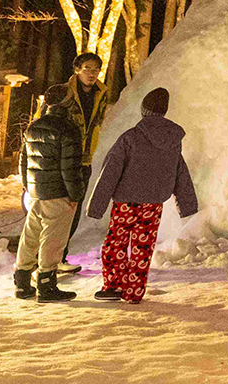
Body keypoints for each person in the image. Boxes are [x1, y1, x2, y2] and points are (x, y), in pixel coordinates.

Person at [86, 88, 199, 303]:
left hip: (126, 203)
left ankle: (114, 287)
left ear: (143, 111)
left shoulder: (131, 137)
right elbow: (180, 172)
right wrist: (187, 204)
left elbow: (110, 171)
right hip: (153, 205)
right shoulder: (172, 141)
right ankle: (135, 292)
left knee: (116, 244)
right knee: (143, 247)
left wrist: (97, 206)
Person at [44, 53, 117, 274]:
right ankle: (45, 261)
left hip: (83, 160)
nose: (92, 73)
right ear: (76, 69)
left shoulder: (101, 94)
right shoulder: (62, 93)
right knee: (56, 212)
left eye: (96, 69)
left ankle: (59, 258)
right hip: (60, 160)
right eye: (87, 68)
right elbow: (44, 123)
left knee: (73, 212)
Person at [14, 101, 87, 302]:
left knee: (31, 234)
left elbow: (23, 160)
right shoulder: (68, 129)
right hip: (58, 192)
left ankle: (21, 281)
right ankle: (46, 285)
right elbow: (70, 167)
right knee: (53, 239)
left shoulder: (34, 126)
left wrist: (29, 186)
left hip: (37, 190)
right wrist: (76, 195)